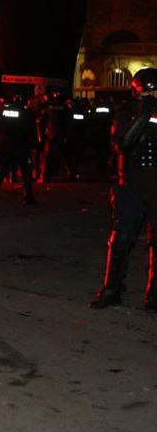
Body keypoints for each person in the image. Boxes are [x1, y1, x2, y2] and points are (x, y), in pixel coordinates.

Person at [90, 68, 157, 312]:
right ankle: (111, 290)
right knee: (121, 239)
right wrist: (145, 113)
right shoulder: (126, 114)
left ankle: (154, 296)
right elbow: (123, 145)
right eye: (148, 93)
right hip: (130, 186)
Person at [0, 95, 38, 205]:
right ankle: (28, 196)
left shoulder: (4, 111)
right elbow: (30, 130)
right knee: (26, 172)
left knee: (1, 172)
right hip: (21, 146)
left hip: (6, 145)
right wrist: (34, 145)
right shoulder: (26, 113)